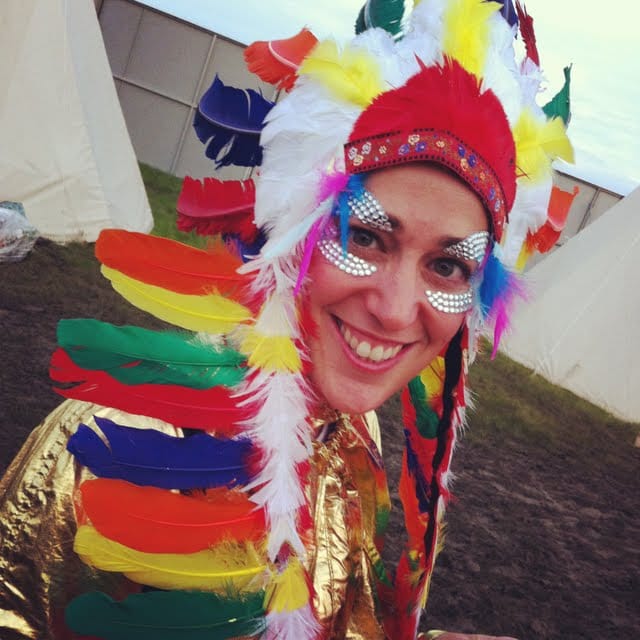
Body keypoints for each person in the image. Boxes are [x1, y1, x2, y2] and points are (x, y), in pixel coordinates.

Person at [0, 1, 573, 638]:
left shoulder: (355, 433)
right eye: (364, 237)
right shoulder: (107, 445)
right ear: (297, 233)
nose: (393, 309)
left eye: (447, 266)